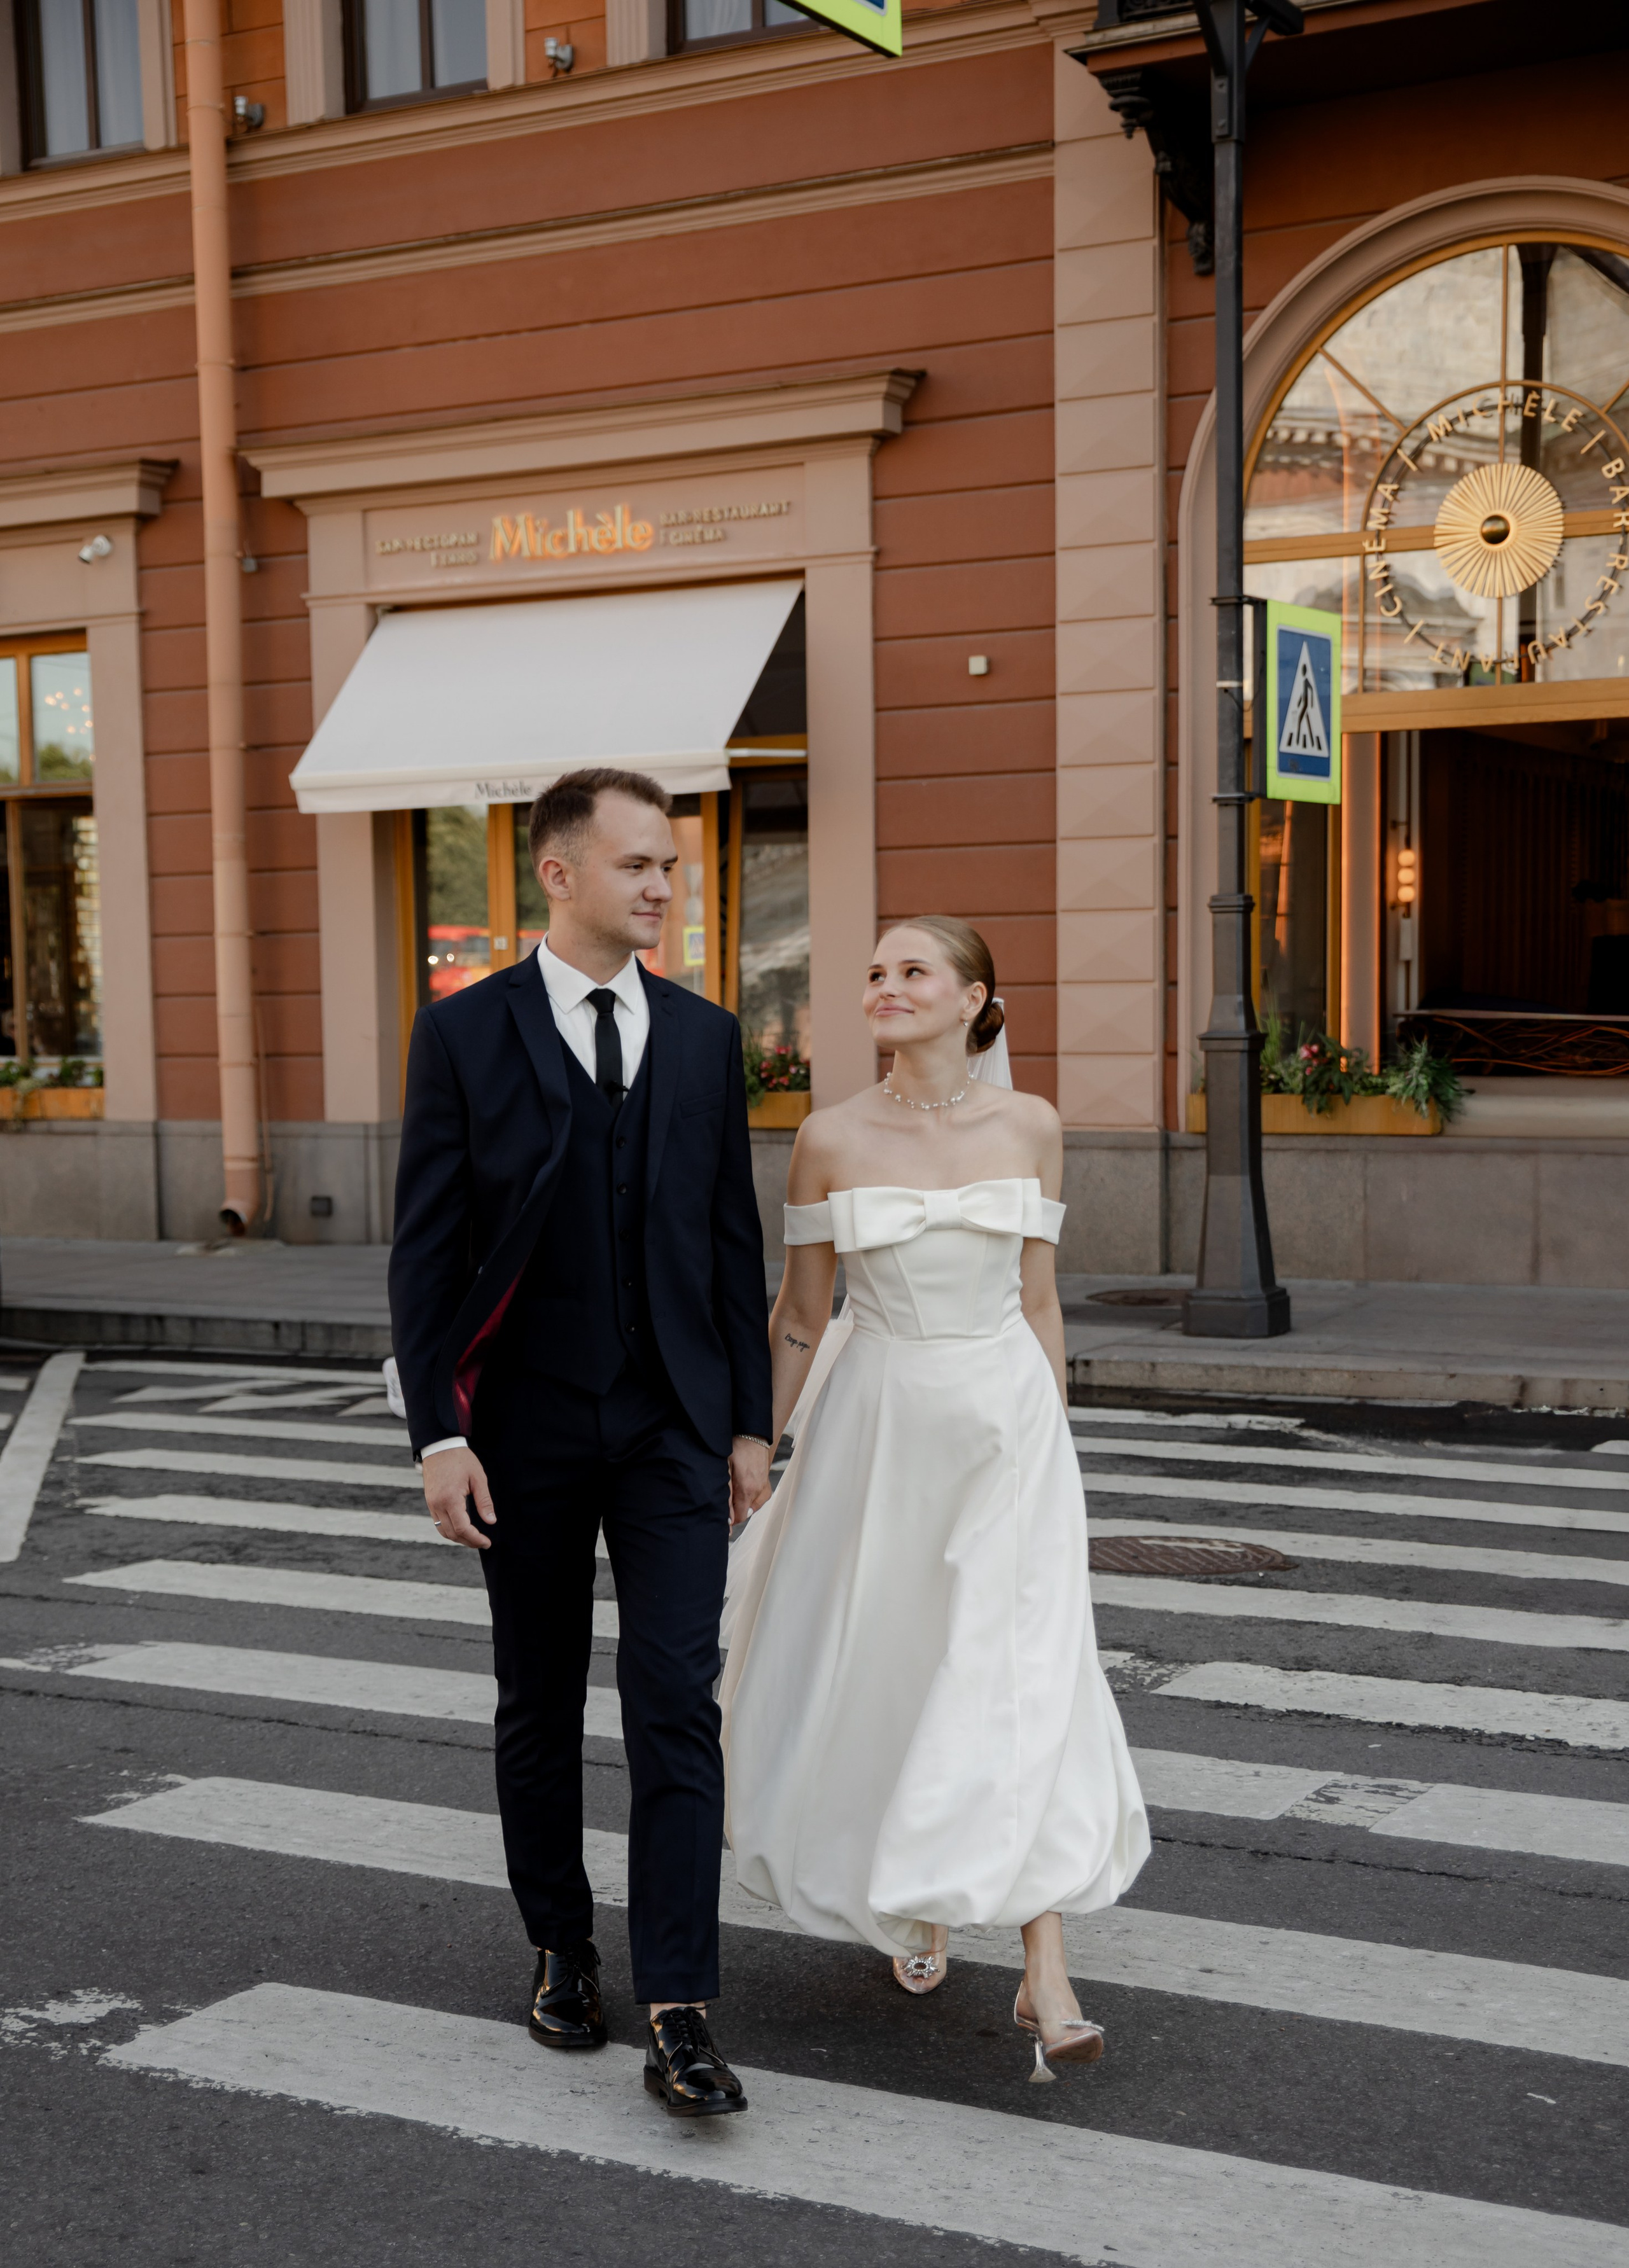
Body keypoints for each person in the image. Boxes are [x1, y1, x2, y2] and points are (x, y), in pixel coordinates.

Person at [389, 765, 773, 2119]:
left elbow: (731, 1238)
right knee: (538, 1696)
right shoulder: (465, 1034)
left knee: (675, 1700)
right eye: (636, 865)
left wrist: (746, 1422)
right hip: (525, 1424)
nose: (663, 885)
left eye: (669, 865)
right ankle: (561, 1941)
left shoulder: (705, 1034)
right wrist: (438, 1431)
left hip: (670, 1422)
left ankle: (679, 2002)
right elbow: (425, 1253)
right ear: (559, 875)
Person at [719, 917, 1149, 2080]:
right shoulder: (829, 1136)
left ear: (974, 999)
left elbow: (1040, 1295)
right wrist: (759, 1442)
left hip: (1004, 1422)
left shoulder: (1034, 1125)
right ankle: (921, 1895)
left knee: (1015, 1671)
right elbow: (804, 1314)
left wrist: (1053, 1430)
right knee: (906, 1660)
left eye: (913, 971)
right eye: (873, 973)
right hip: (880, 1424)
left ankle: (1046, 1970)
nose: (884, 987)